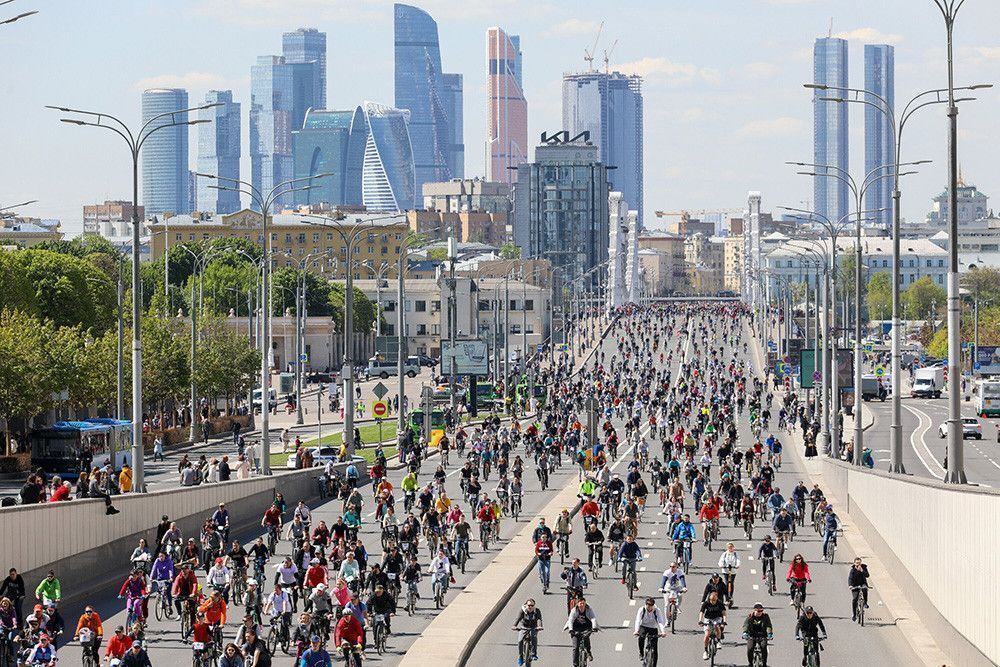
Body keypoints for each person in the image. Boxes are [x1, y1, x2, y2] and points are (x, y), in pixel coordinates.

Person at [562, 597, 598, 663]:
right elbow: (570, 620)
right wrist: (571, 629)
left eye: (583, 603)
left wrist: (594, 627)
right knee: (576, 647)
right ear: (577, 604)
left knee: (586, 638)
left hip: (586, 628)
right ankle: (575, 663)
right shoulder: (574, 610)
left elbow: (593, 618)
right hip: (575, 628)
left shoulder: (589, 609)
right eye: (580, 603)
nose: (582, 605)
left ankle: (588, 653)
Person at [633, 597, 666, 664]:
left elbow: (660, 621)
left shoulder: (657, 610)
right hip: (644, 626)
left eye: (651, 606)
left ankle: (654, 665)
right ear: (646, 605)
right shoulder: (642, 609)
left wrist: (663, 631)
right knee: (641, 638)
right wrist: (636, 631)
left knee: (655, 649)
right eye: (648, 606)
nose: (649, 608)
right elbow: (638, 620)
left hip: (653, 628)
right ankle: (641, 653)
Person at [511, 599, 542, 666]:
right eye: (529, 605)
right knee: (520, 641)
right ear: (526, 605)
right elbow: (518, 618)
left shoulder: (537, 611)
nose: (530, 607)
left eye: (532, 605)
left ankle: (534, 654)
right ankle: (520, 657)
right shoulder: (522, 610)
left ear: (534, 606)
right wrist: (514, 626)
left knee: (533, 638)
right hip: (524, 627)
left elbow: (539, 619)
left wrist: (539, 626)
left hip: (533, 627)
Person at [699, 590, 727, 660]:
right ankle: (705, 651)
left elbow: (724, 613)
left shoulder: (720, 603)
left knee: (717, 626)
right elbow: (701, 612)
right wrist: (700, 620)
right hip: (708, 618)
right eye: (711, 600)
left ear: (717, 598)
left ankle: (718, 641)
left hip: (717, 617)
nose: (712, 602)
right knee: (707, 634)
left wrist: (724, 621)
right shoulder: (706, 603)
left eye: (714, 600)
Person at [717, 542, 741, 608]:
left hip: (733, 571)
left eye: (731, 547)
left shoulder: (735, 554)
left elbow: (738, 560)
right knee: (727, 582)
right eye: (729, 547)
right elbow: (721, 561)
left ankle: (731, 596)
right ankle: (727, 597)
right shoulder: (724, 554)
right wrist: (721, 565)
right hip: (726, 570)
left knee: (731, 582)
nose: (730, 548)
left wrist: (737, 565)